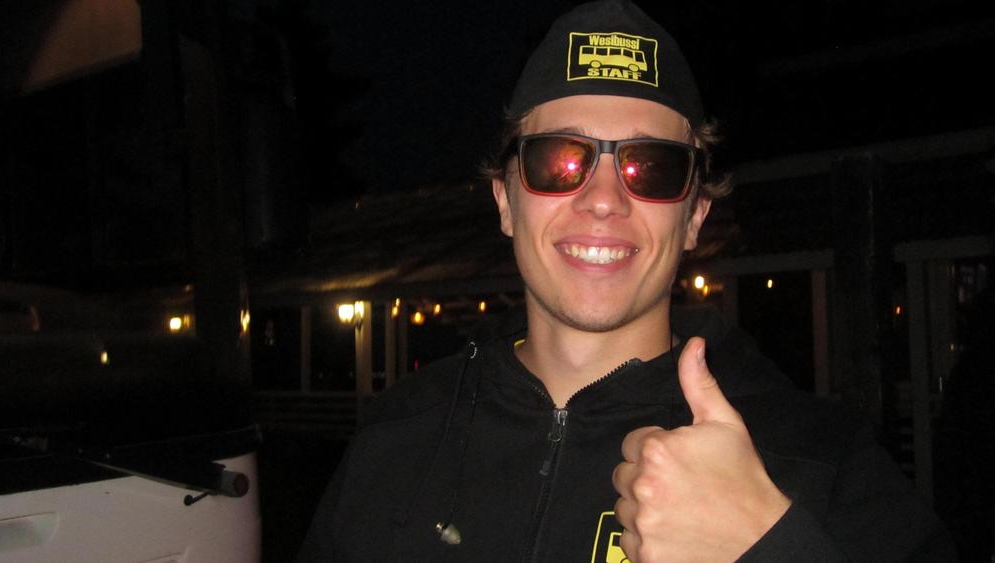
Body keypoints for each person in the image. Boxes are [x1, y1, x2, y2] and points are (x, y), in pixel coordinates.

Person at [297, 1, 954, 561]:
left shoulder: (819, 461)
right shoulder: (395, 438)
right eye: (560, 160)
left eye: (652, 167)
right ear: (505, 201)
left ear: (694, 216)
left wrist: (769, 545)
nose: (604, 199)